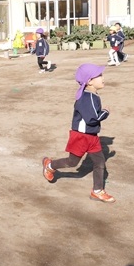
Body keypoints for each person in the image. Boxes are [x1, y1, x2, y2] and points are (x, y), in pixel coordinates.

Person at [41, 64, 115, 203]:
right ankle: (50, 165)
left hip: (92, 136)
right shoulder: (87, 98)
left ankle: (97, 191)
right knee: (72, 162)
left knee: (99, 162)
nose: (103, 78)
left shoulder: (92, 95)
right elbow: (92, 119)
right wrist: (105, 112)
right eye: (99, 75)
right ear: (90, 81)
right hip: (81, 137)